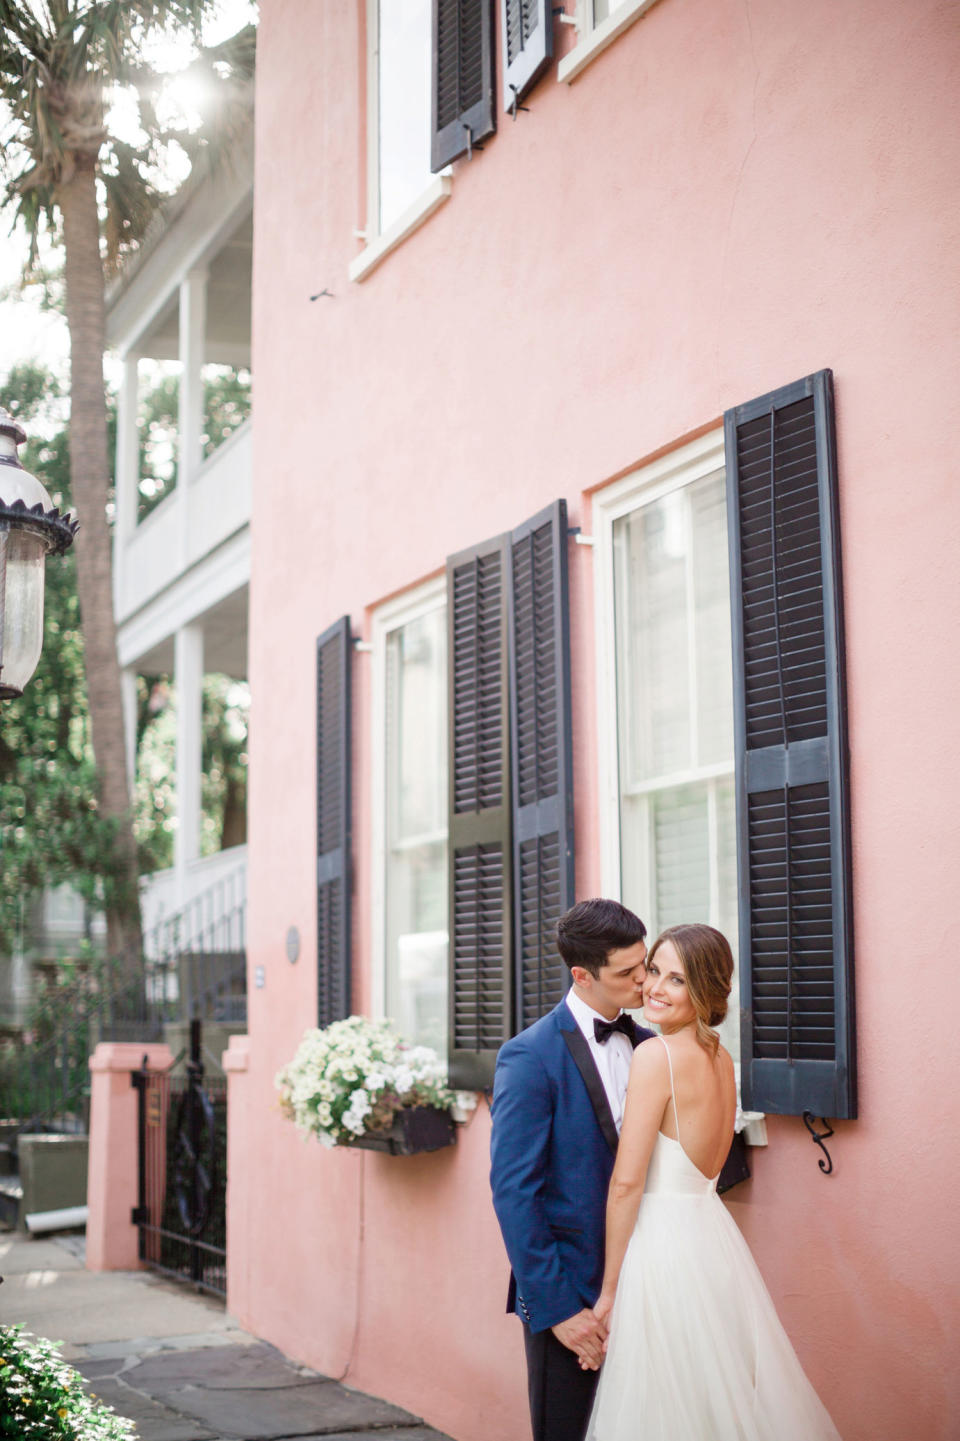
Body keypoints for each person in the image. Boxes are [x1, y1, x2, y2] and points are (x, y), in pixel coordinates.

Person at [586, 923, 842, 1441]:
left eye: (676, 980)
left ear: (704, 991)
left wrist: (609, 1290)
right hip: (711, 1239)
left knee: (666, 1408)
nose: (655, 987)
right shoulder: (721, 1060)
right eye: (653, 971)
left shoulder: (655, 1056)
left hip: (662, 1246)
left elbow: (626, 1184)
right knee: (715, 1400)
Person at [490, 898, 655, 1441]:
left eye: (646, 964)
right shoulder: (528, 1056)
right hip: (572, 1294)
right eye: (628, 973)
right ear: (582, 975)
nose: (644, 981)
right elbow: (515, 1193)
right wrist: (559, 1310)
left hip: (655, 1280)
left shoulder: (652, 1046)